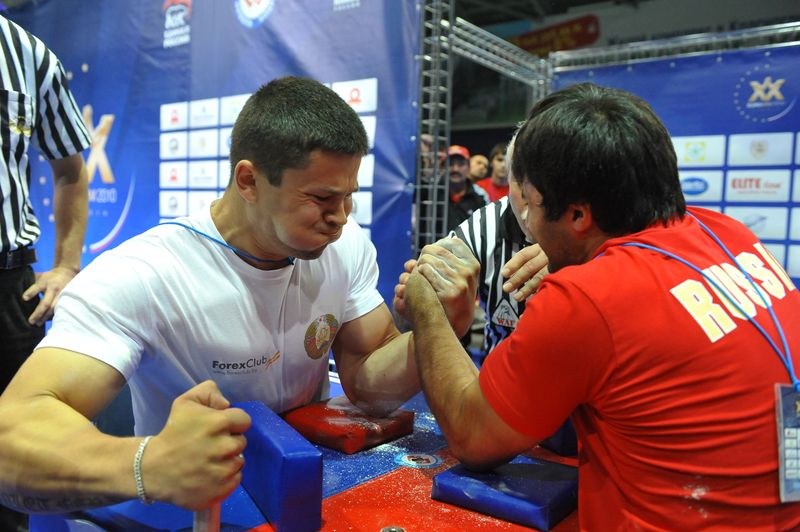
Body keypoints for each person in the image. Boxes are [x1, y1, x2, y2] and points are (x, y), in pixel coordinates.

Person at [0, 76, 478, 515]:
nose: (341, 217)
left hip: (310, 487)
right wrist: (148, 462)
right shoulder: (144, 274)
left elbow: (368, 381)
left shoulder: (344, 245)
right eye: (321, 199)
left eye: (348, 196)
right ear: (248, 180)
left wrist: (439, 329)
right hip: (191, 508)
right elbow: (11, 434)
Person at [400, 83, 800, 529]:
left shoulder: (585, 298)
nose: (527, 224)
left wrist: (426, 307)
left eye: (530, 204)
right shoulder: (731, 235)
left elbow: (473, 437)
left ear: (577, 216)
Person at [0, 14, 91, 531]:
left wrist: (66, 264)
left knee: (14, 456)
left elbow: (71, 168)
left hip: (6, 285)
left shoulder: (29, 55)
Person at [445, 145, 487, 233]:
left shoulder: (480, 195)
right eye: (450, 164)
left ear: (469, 168)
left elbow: (486, 229)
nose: (455, 169)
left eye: (461, 164)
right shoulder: (433, 194)